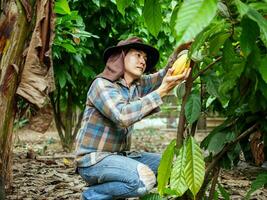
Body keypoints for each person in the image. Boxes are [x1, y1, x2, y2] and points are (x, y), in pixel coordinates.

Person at [75, 36, 191, 200]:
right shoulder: (102, 85)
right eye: (137, 55)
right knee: (143, 180)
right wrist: (162, 91)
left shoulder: (136, 86)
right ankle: (92, 195)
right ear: (121, 56)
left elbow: (164, 76)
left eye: (144, 58)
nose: (143, 61)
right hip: (93, 161)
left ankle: (111, 188)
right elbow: (121, 116)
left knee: (173, 167)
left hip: (121, 156)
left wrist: (180, 51)